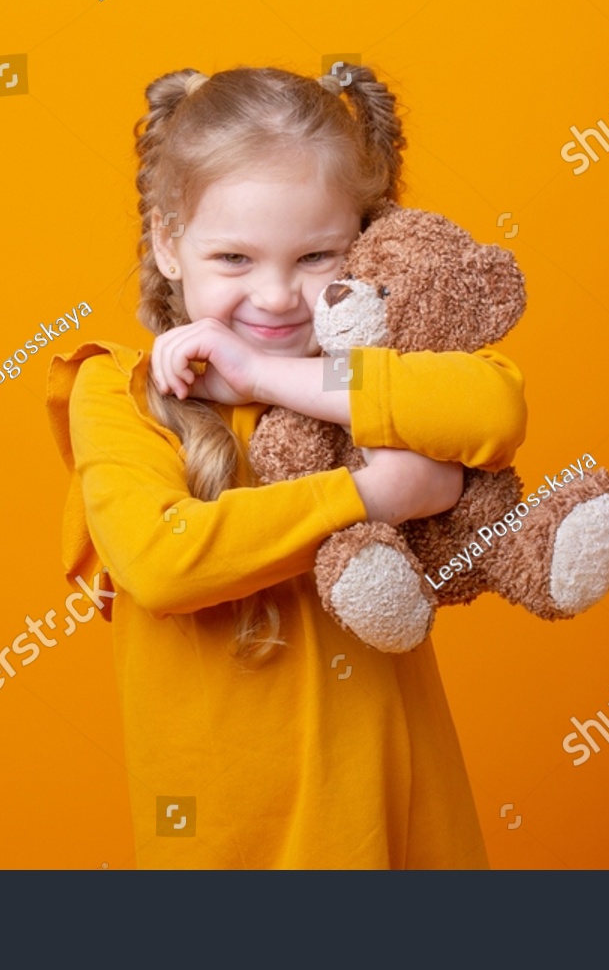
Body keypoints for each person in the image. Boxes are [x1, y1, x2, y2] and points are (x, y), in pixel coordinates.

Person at [44, 63, 529, 868]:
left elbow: (495, 411)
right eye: (233, 257)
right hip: (239, 848)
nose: (275, 298)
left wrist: (272, 378)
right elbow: (165, 560)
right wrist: (371, 493)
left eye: (316, 257)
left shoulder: (375, 374)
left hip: (402, 828)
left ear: (365, 243)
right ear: (169, 242)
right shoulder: (120, 390)